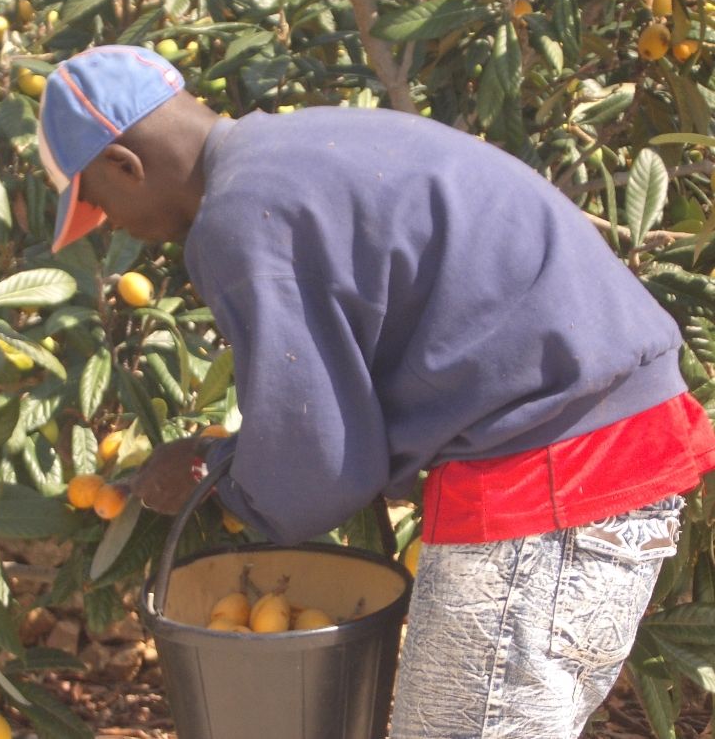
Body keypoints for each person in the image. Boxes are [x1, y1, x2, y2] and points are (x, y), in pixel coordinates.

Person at [37, 44, 715, 738]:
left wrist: (215, 482)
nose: (114, 227)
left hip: (548, 476)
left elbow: (319, 463)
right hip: (606, 445)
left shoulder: (237, 218)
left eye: (98, 203)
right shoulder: (296, 148)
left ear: (125, 165)